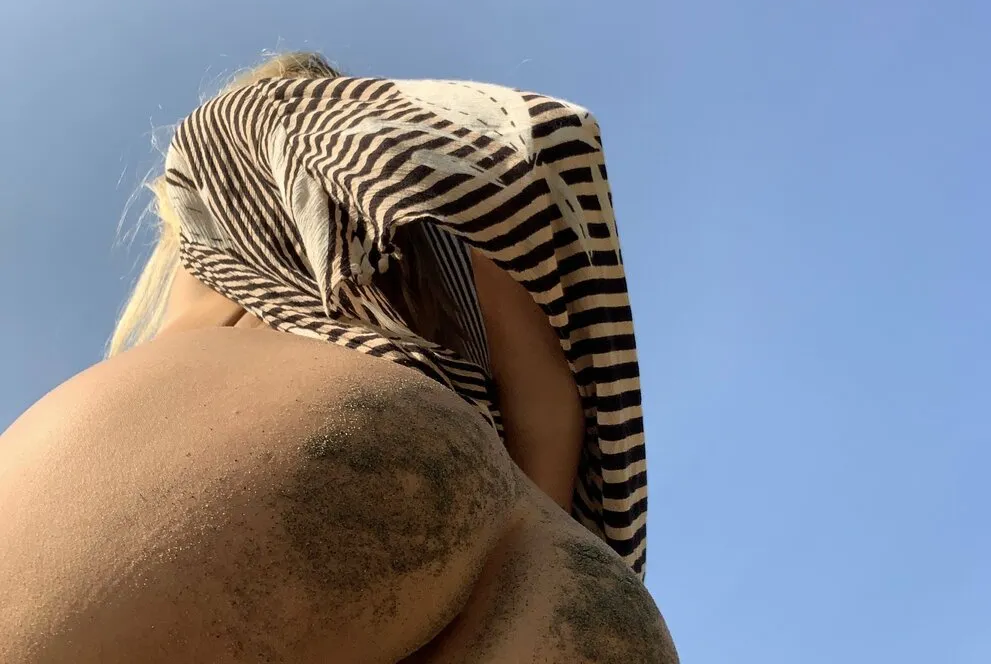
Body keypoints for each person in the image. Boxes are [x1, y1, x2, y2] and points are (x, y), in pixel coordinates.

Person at [0, 52, 678, 663]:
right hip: (542, 544)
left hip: (196, 465)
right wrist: (526, 539)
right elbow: (547, 401)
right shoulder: (427, 232)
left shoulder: (221, 145)